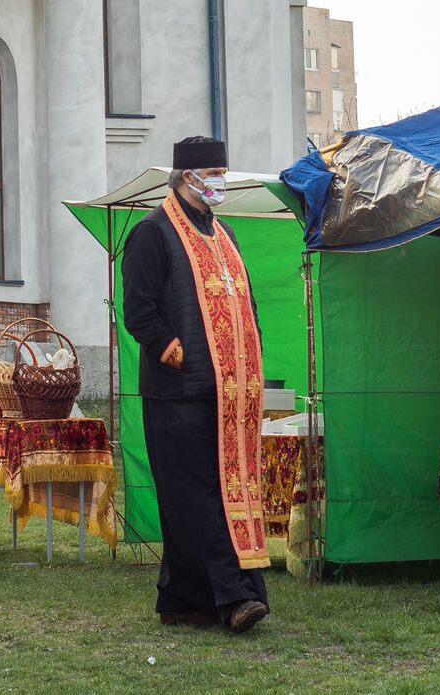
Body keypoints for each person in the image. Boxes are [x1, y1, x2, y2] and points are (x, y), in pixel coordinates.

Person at [121, 137, 270, 632]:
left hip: (226, 393)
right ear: (188, 177)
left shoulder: (223, 234)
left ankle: (181, 600)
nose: (221, 182)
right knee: (200, 493)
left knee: (216, 491)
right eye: (214, 172)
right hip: (177, 390)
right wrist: (171, 348)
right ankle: (234, 598)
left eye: (223, 171)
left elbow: (245, 306)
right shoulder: (152, 233)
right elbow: (139, 310)